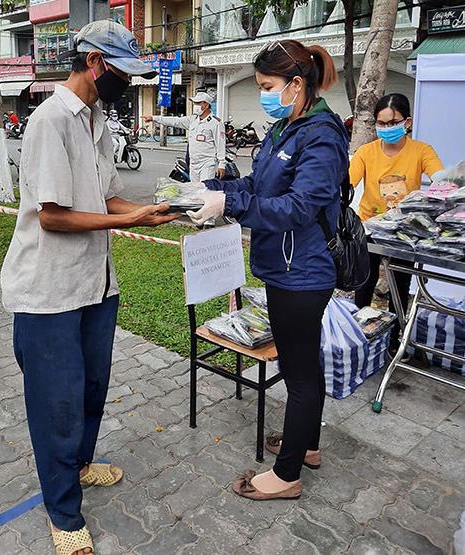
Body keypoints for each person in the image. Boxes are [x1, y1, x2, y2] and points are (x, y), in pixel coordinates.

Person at [0, 20, 176, 555]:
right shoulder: (50, 121)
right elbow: (53, 217)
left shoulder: (97, 119)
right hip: (49, 291)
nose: (130, 83)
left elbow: (110, 199)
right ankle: (62, 511)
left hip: (96, 286)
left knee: (91, 390)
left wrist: (149, 212)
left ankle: (78, 466)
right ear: (96, 63)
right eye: (124, 72)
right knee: (57, 404)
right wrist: (128, 222)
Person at [187, 40, 348, 501]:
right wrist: (209, 189)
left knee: (298, 374)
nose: (263, 94)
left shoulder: (322, 135)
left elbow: (298, 207)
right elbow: (257, 185)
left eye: (267, 86)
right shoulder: (285, 128)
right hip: (282, 266)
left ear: (297, 85)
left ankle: (286, 474)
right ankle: (308, 446)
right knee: (306, 365)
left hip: (302, 274)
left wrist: (231, 203)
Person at [350, 93, 444, 353]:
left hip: (404, 230)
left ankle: (393, 341)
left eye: (392, 123)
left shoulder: (421, 150)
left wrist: (448, 183)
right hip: (369, 226)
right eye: (381, 124)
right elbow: (347, 182)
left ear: (407, 122)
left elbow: (440, 177)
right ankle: (360, 336)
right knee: (363, 284)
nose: (386, 129)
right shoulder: (366, 152)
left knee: (399, 286)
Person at [143, 91, 226, 180]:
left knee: (205, 190)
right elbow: (175, 121)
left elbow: (220, 145)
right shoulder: (193, 119)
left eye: (198, 103)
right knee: (194, 190)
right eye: (194, 103)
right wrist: (154, 118)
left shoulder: (215, 123)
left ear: (206, 105)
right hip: (193, 163)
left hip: (207, 164)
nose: (195, 105)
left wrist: (222, 164)